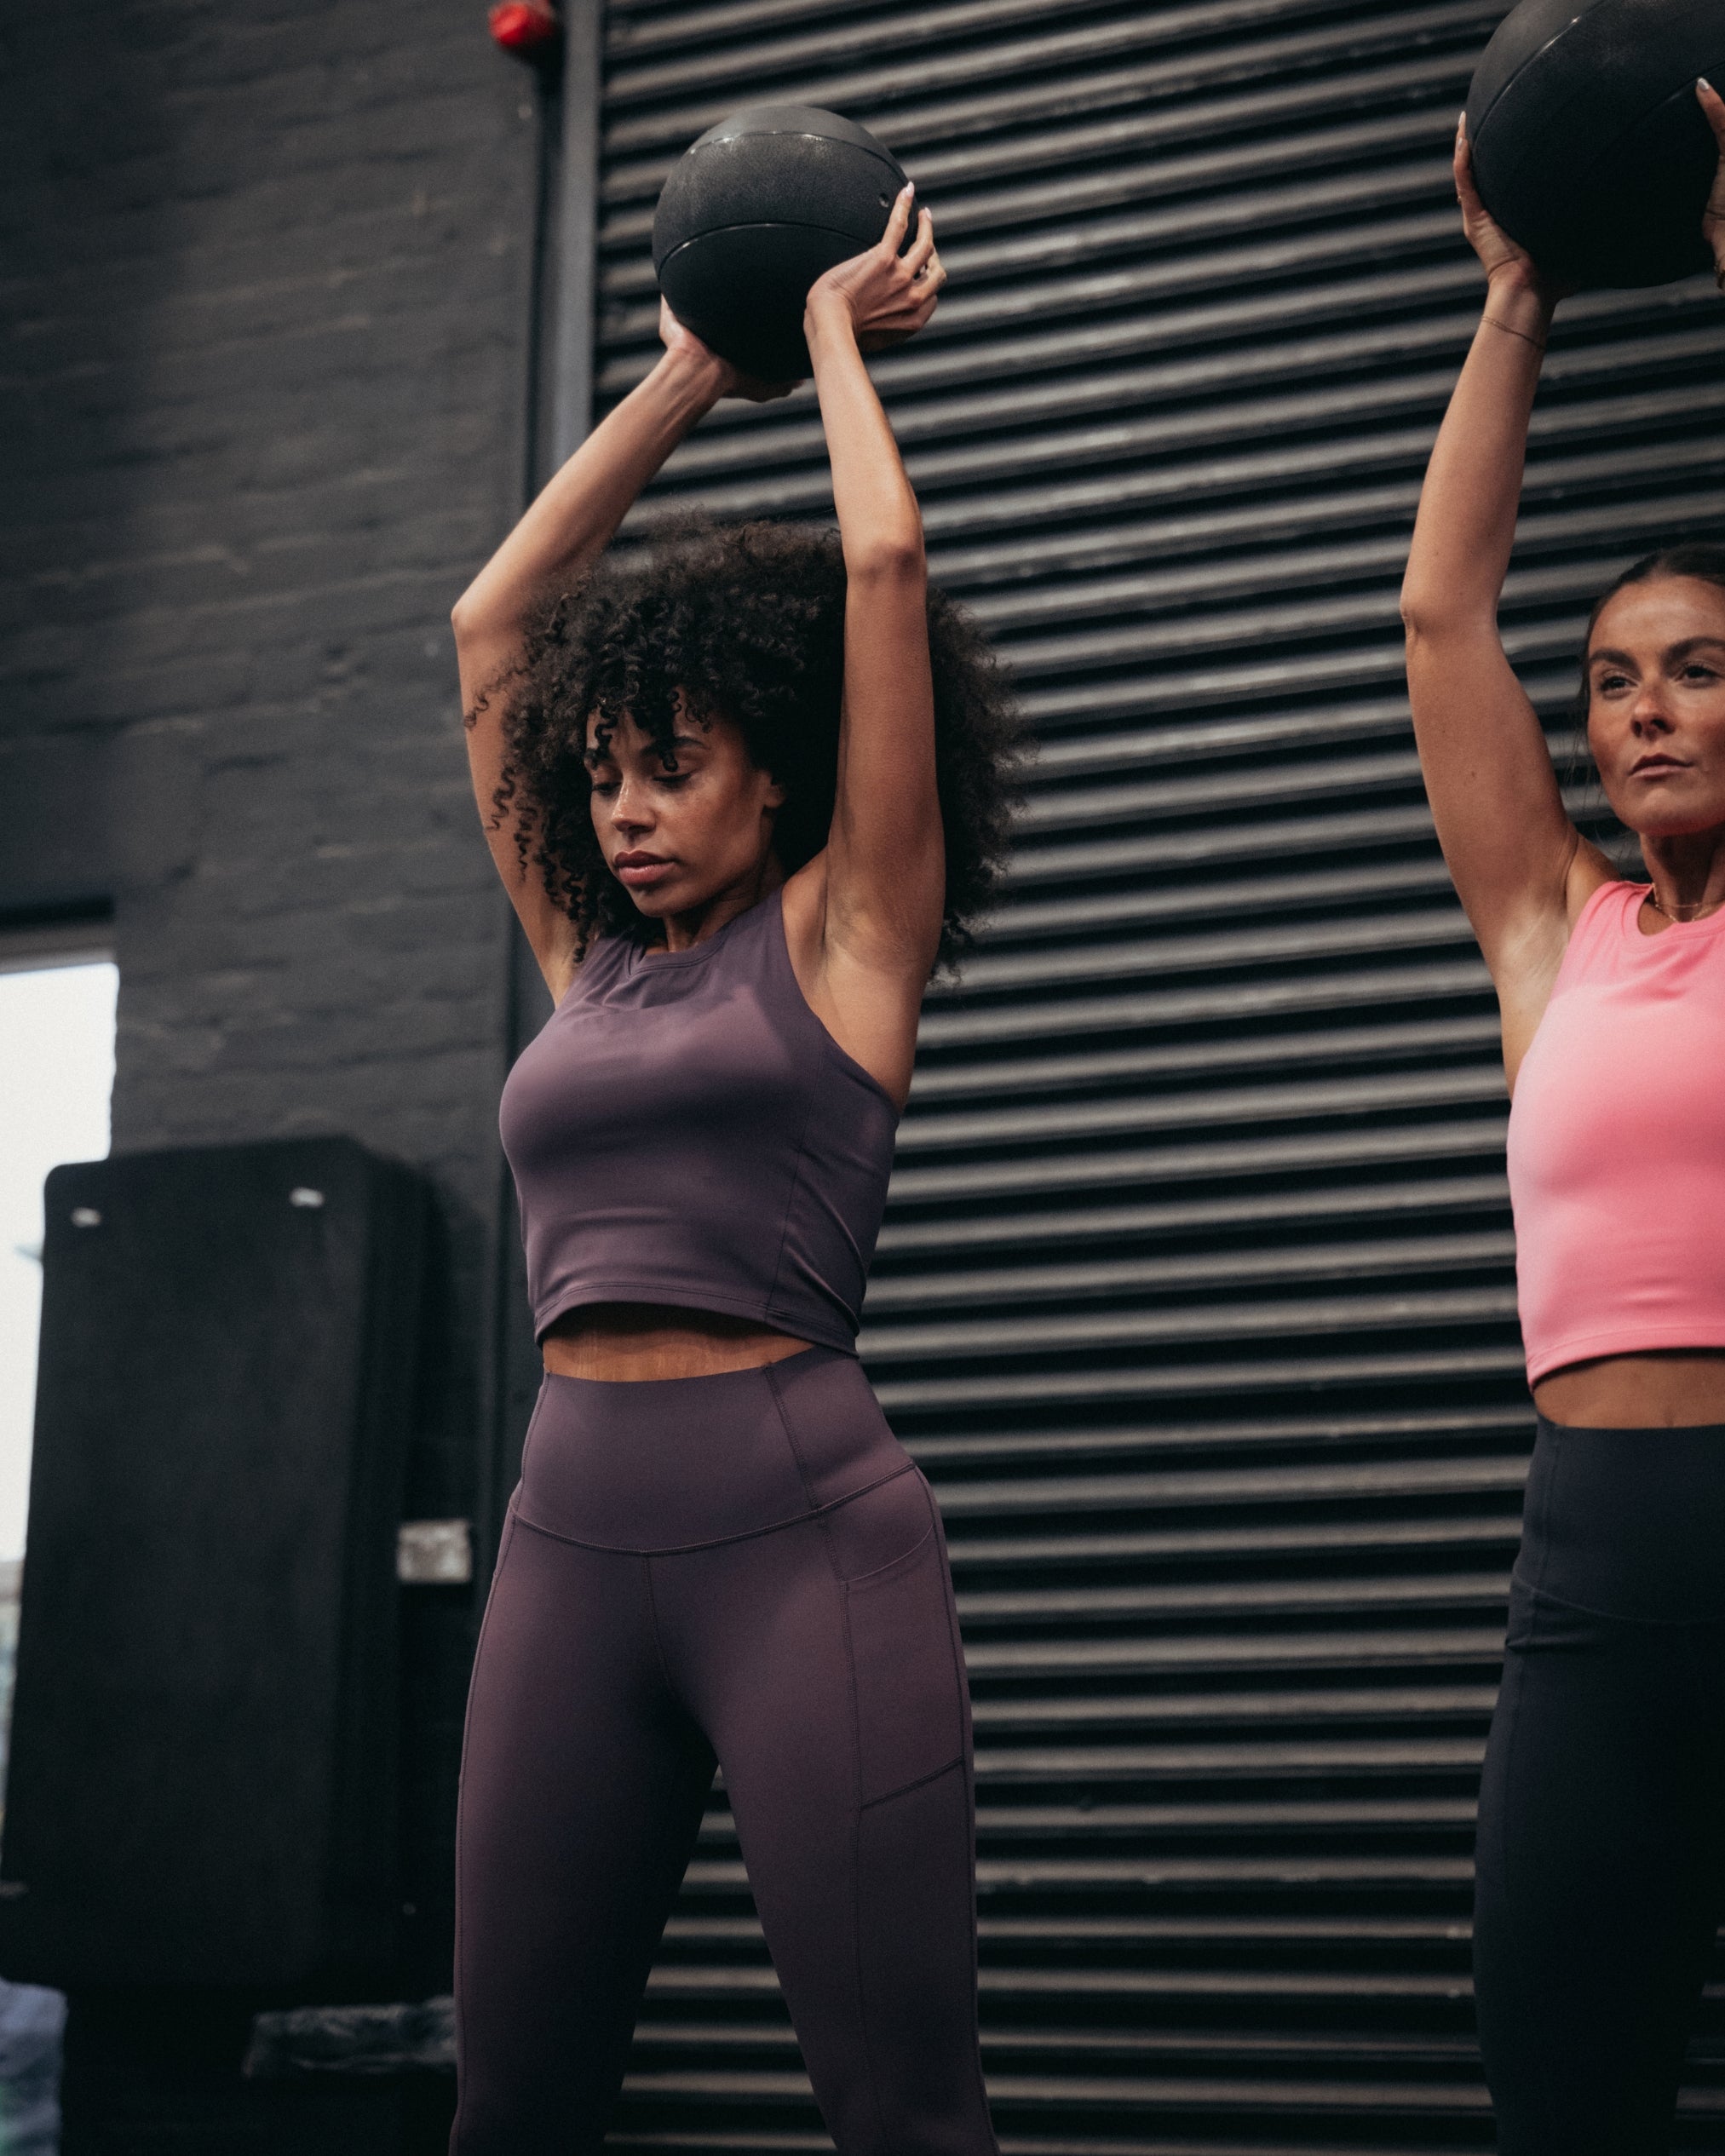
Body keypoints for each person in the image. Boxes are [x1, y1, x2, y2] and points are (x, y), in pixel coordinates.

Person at [446, 184, 1021, 2156]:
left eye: (666, 763)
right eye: (597, 771)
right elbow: (489, 624)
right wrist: (693, 366)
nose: (618, 808)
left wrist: (836, 346)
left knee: (900, 2110)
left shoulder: (849, 935)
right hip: (565, 1528)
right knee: (510, 2099)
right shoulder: (583, 958)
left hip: (801, 1537)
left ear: (771, 770)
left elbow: (880, 565)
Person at [1400, 83, 1725, 2156]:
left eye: (1695, 670)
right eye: (1612, 680)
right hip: (1592, 1562)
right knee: (1556, 2070)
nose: (1640, 709)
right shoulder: (1554, 928)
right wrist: (1511, 299)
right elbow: (1443, 617)